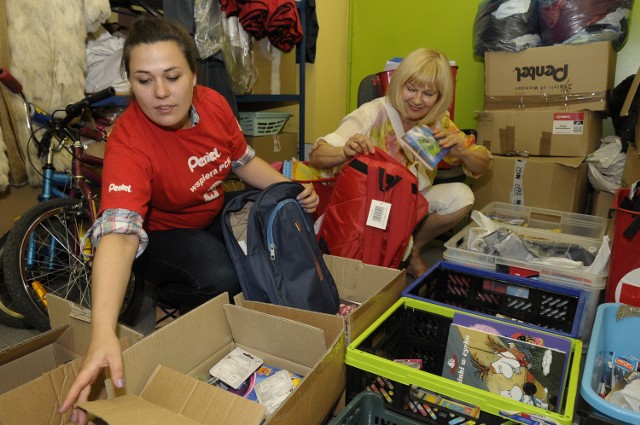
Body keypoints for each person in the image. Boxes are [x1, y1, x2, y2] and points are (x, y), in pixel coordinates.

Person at [60, 16, 318, 424]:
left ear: (194, 75)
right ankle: (172, 302)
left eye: (173, 76)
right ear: (130, 82)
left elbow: (245, 162)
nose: (161, 93)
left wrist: (291, 190)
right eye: (144, 80)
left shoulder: (214, 104)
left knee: (273, 237)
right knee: (222, 275)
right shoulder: (129, 141)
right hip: (162, 236)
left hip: (211, 213)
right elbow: (120, 233)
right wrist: (102, 331)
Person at [309, 48, 492, 277]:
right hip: (369, 205)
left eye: (428, 93)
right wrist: (345, 151)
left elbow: (483, 164)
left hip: (411, 200)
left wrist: (464, 153)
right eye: (411, 89)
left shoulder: (437, 120)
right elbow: (317, 155)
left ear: (439, 96)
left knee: (462, 196)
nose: (417, 100)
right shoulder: (373, 113)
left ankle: (414, 249)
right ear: (398, 84)